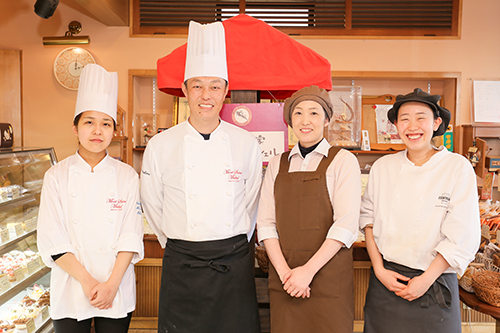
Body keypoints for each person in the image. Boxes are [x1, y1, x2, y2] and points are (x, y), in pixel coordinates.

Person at [140, 20, 262, 333]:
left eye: (214, 86)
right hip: (182, 261)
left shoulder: (245, 143)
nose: (205, 95)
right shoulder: (161, 144)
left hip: (232, 260)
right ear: (184, 90)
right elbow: (152, 203)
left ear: (225, 92)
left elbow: (252, 203)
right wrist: (178, 244)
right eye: (197, 85)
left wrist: (233, 244)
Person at [360, 88, 480, 333]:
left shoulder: (457, 167)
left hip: (434, 282)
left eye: (420, 117)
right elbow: (367, 220)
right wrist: (380, 270)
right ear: (395, 125)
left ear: (436, 123)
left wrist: (425, 280)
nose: (412, 126)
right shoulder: (383, 167)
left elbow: (462, 234)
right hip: (386, 283)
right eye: (404, 119)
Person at [37, 64, 144, 333]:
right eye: (89, 122)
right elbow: (53, 238)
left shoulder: (127, 175)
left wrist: (110, 285)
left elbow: (130, 236)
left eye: (106, 124)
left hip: (116, 285)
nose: (98, 131)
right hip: (72, 284)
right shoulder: (56, 176)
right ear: (75, 128)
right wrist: (87, 282)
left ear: (114, 130)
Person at [257, 85, 360, 332]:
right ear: (290, 121)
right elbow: (266, 223)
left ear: (327, 119)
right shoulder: (276, 163)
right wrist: (286, 274)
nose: (306, 120)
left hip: (327, 278)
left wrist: (307, 272)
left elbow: (345, 226)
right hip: (286, 278)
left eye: (314, 113)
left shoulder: (343, 161)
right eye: (298, 113)